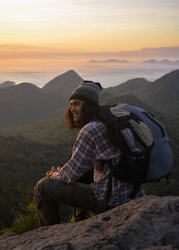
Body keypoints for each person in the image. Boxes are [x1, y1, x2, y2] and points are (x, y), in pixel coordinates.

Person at [34, 80, 145, 226]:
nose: (71, 109)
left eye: (77, 104)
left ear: (89, 105)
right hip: (131, 194)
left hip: (110, 199)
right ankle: (81, 221)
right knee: (87, 172)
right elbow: (80, 165)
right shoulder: (110, 122)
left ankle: (49, 235)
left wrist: (53, 174)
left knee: (43, 188)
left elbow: (69, 175)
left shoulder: (91, 129)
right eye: (71, 104)